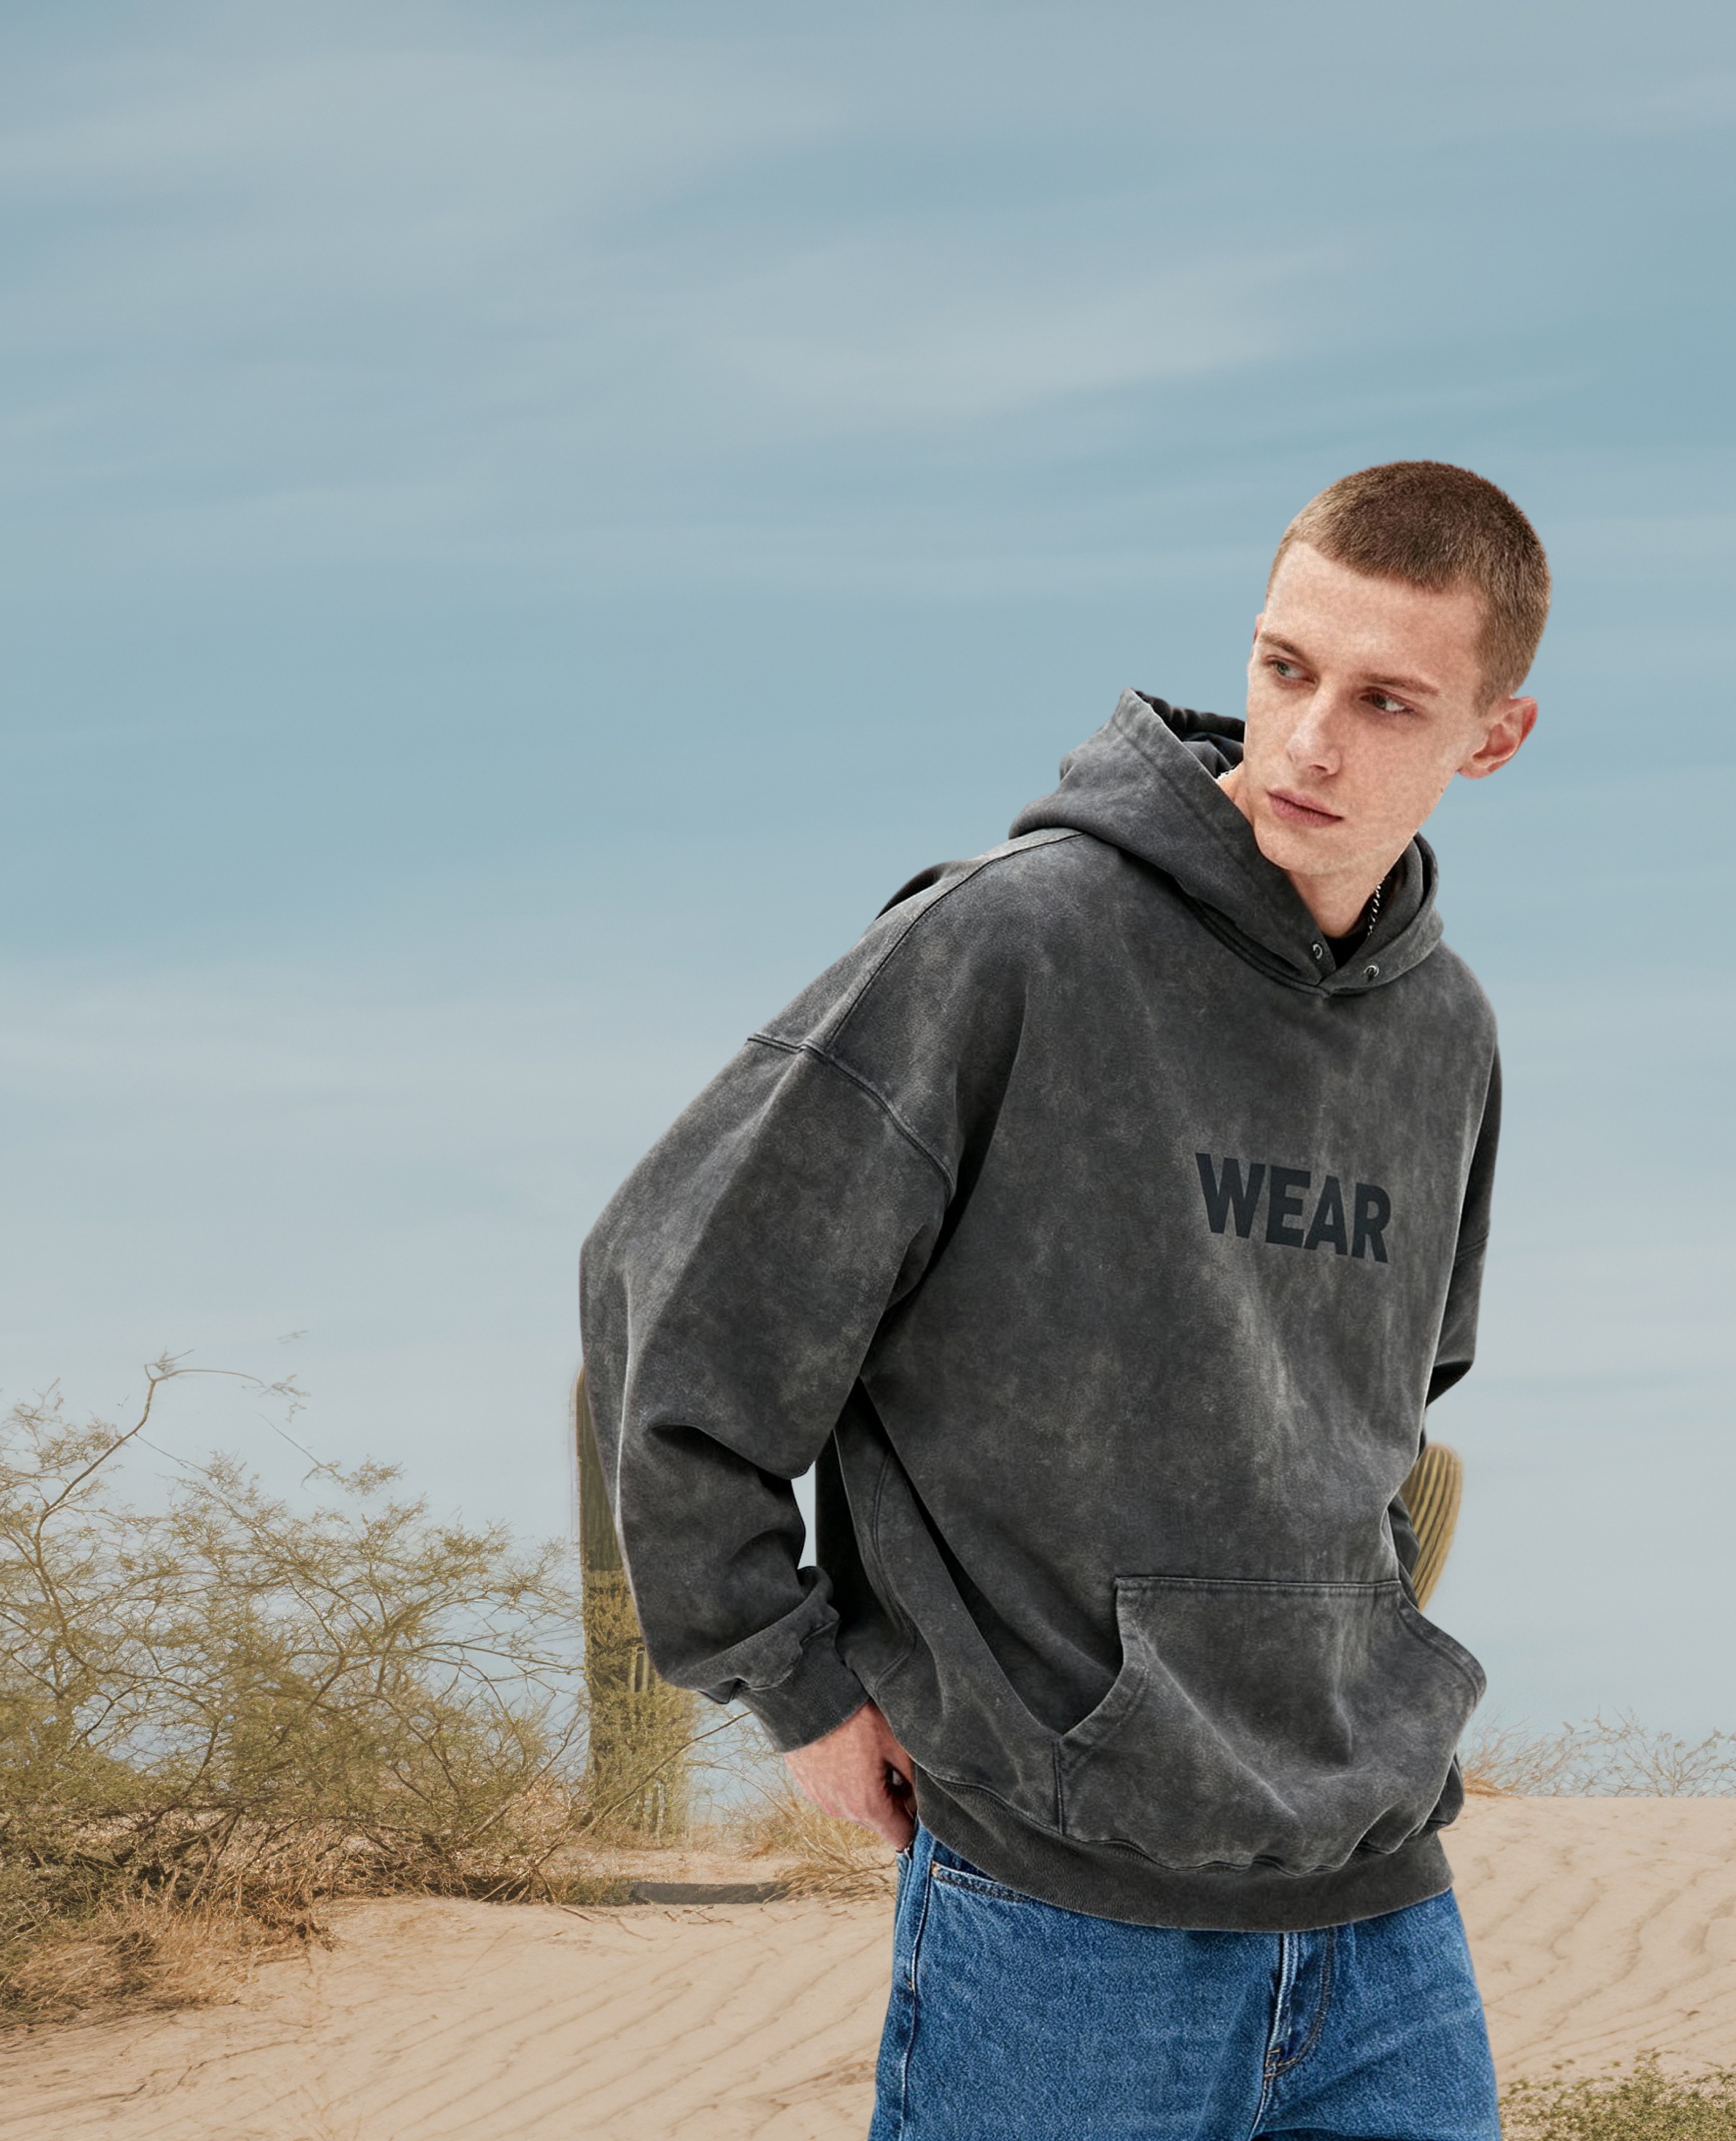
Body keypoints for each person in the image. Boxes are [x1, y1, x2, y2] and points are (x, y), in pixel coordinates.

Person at [579, 461, 1547, 2141]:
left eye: (1389, 699)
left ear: (1492, 737)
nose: (1311, 739)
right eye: (1286, 669)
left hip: (1376, 1905)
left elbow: (1390, 1413)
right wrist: (790, 1682)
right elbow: (670, 1293)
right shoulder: (1013, 947)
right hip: (1060, 1908)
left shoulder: (1446, 1032)